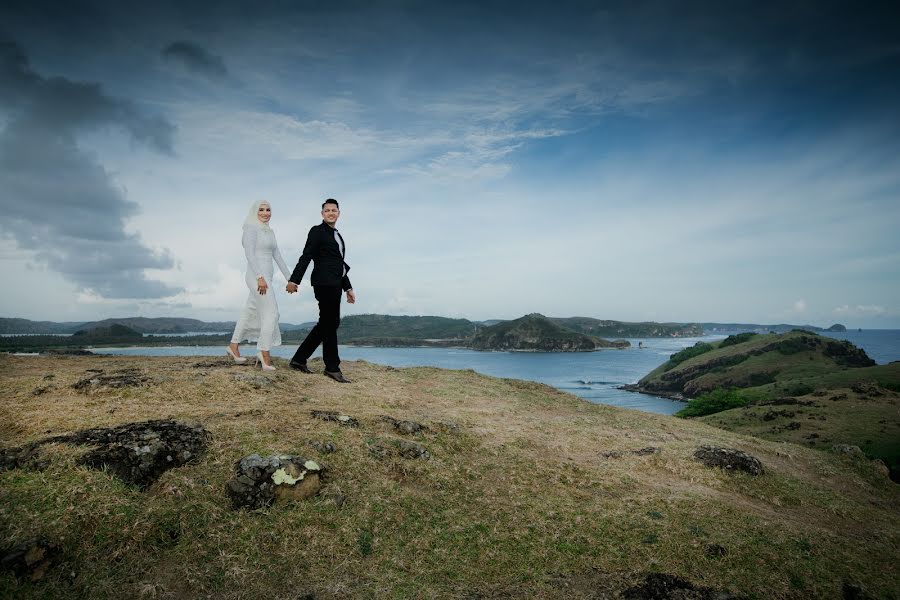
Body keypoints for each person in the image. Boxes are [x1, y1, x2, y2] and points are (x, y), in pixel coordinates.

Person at [285, 198, 356, 383]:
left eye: (334, 210)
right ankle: (332, 367)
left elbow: (339, 264)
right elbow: (306, 256)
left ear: (339, 213)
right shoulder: (317, 231)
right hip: (323, 283)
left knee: (327, 323)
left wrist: (348, 287)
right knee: (331, 323)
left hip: (335, 283)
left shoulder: (337, 235)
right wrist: (294, 280)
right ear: (322, 214)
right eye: (327, 210)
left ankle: (299, 359)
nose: (331, 213)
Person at [227, 200, 291, 371]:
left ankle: (233, 346)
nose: (265, 212)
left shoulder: (270, 231)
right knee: (272, 312)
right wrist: (259, 277)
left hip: (267, 277)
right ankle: (264, 352)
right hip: (256, 277)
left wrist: (290, 278)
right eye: (261, 209)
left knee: (251, 310)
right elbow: (249, 254)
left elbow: (277, 256)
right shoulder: (250, 229)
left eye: (268, 209)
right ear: (255, 212)